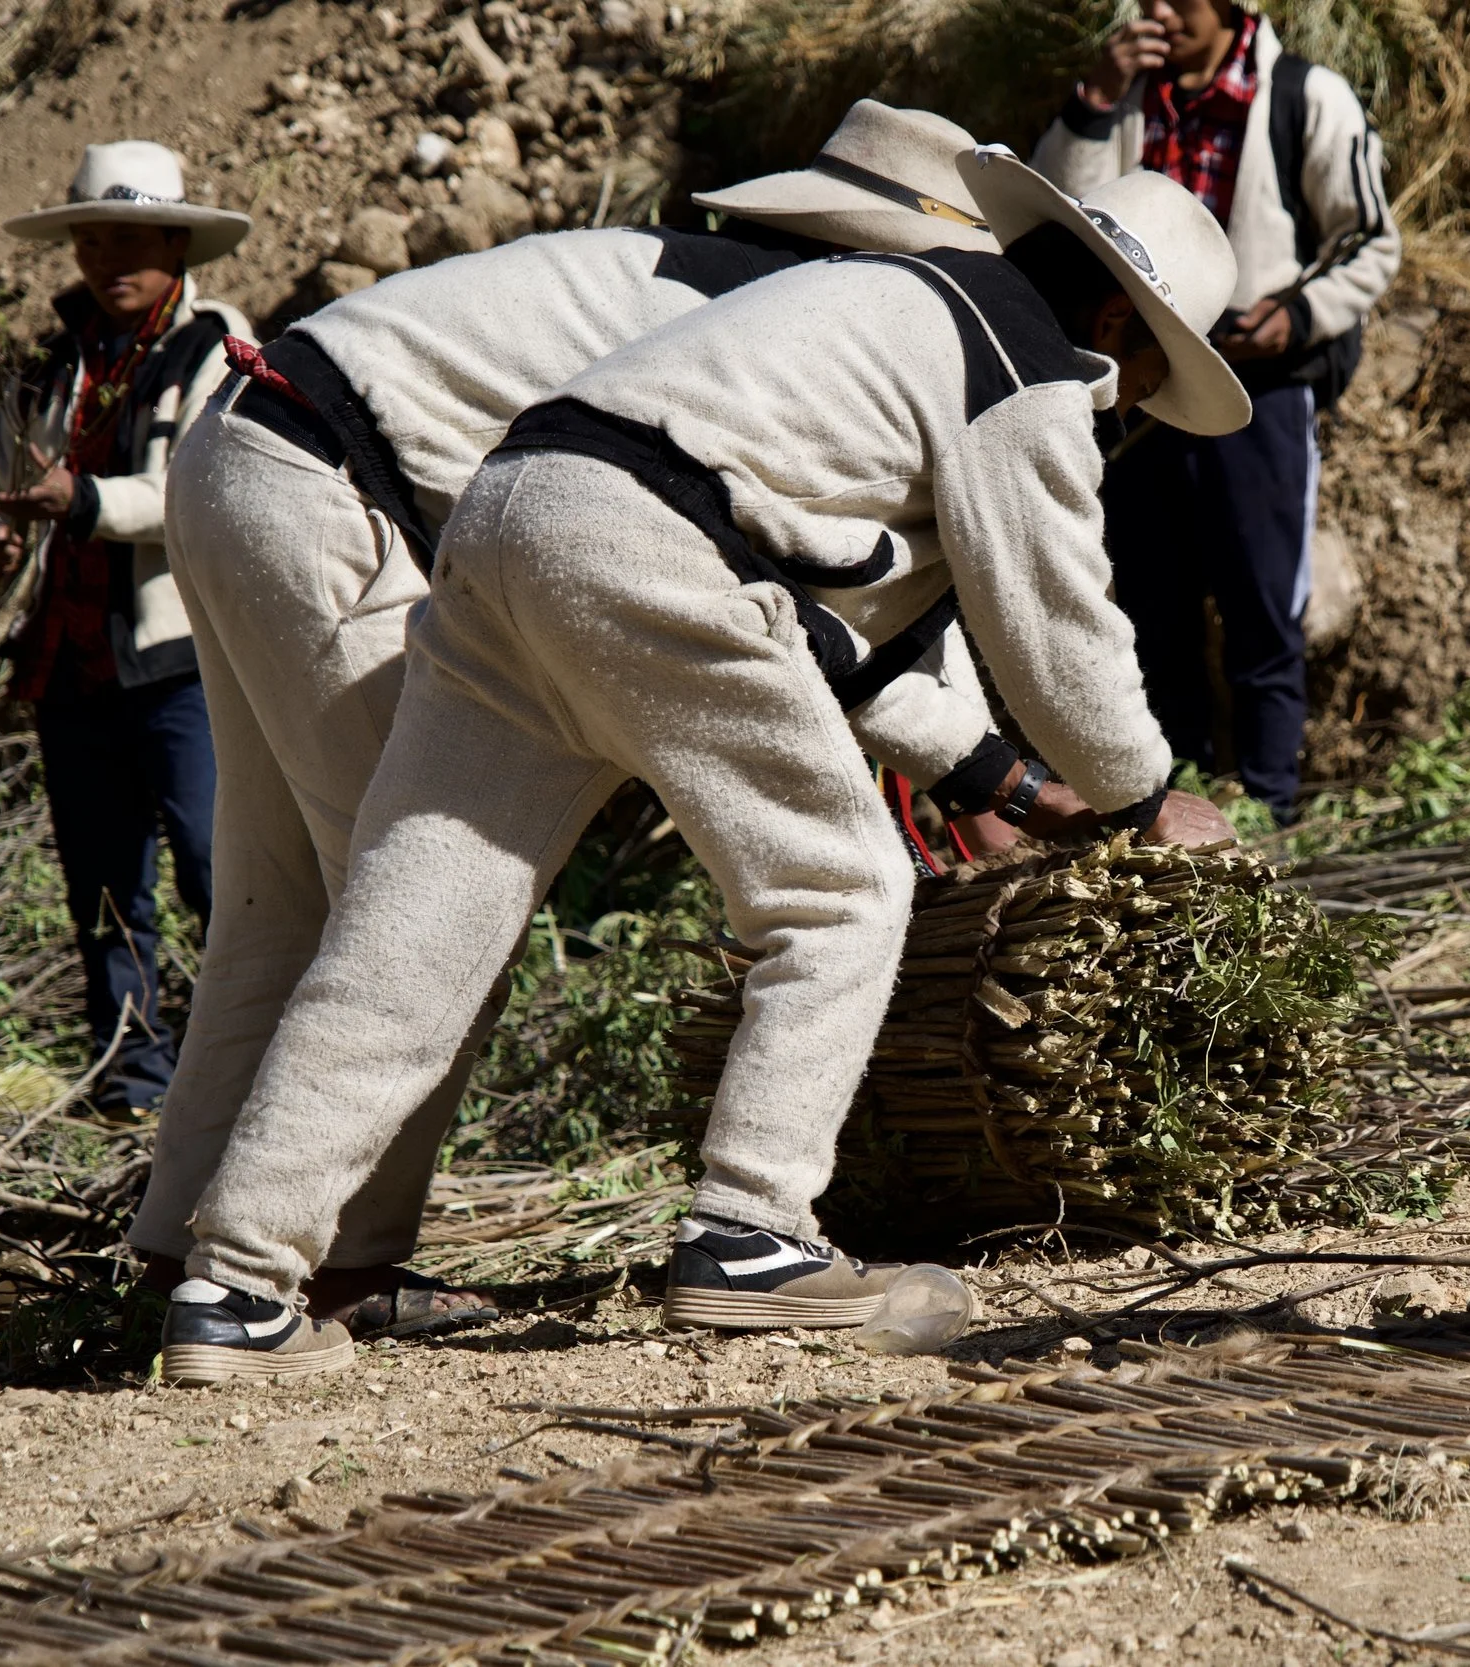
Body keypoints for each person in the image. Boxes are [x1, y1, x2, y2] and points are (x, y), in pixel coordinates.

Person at [152, 150, 1245, 1385]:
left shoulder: (871, 319)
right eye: (1146, 383)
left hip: (508, 515)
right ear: (1114, 325)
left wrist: (1000, 776)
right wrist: (1144, 794)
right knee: (837, 889)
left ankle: (233, 1286)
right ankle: (752, 1233)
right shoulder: (1026, 367)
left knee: (412, 925)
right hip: (636, 543)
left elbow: (831, 627)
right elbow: (1059, 626)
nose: (1132, 410)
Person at [0, 142, 252, 1113]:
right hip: (72, 669)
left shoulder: (219, 350)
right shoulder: (55, 360)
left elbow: (217, 488)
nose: (111, 255)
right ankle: (136, 1084)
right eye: (93, 237)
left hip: (180, 662)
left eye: (131, 237)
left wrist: (83, 503)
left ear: (174, 241)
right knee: (107, 893)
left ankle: (261, 1065)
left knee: (219, 869)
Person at [1033, 0, 1399, 820]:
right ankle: (1178, 801)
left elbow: (1372, 242)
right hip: (1136, 381)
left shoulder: (1306, 98)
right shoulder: (1124, 100)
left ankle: (1272, 809)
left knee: (1262, 606)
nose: (1160, 12)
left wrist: (1295, 317)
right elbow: (1055, 216)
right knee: (1150, 604)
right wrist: (1093, 103)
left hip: (1256, 385)